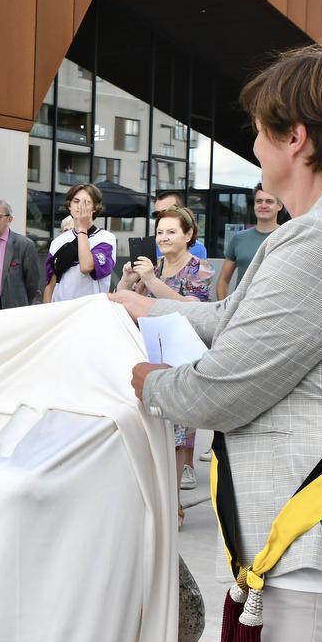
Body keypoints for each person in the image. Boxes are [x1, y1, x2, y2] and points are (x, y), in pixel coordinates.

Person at [113, 44, 322, 642]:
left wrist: (145, 381)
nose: (254, 147)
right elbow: (236, 319)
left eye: (258, 130)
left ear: (297, 138)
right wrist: (150, 311)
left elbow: (224, 391)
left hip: (315, 557)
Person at [115, 204, 210, 519]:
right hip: (149, 352)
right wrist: (129, 280)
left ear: (188, 235)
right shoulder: (150, 266)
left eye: (172, 231)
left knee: (179, 432)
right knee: (153, 428)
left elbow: (191, 308)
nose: (164, 238)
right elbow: (122, 300)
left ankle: (173, 507)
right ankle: (158, 502)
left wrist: (152, 281)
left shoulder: (199, 268)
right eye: (160, 232)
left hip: (180, 357)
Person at [43, 183, 116, 302]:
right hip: (60, 309)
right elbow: (50, 284)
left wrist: (82, 229)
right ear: (69, 206)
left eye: (86, 202)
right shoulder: (58, 242)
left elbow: (86, 266)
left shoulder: (106, 238)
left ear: (95, 208)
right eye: (76, 201)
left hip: (89, 311)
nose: (80, 206)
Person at [216, 184, 282, 300]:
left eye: (269, 201)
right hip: (241, 310)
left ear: (279, 206)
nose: (263, 205)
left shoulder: (287, 237)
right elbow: (223, 280)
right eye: (259, 201)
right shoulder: (239, 238)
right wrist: (225, 311)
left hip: (274, 311)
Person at [154, 190, 208, 259]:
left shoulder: (197, 249)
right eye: (156, 214)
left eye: (168, 212)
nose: (162, 218)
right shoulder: (151, 246)